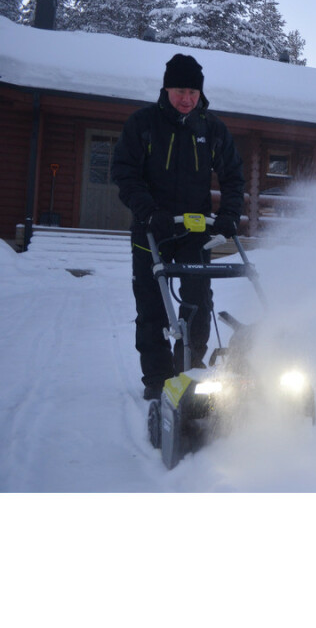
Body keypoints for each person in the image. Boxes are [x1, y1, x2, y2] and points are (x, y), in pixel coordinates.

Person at [112, 53, 245, 400]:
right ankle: (157, 380)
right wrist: (147, 210)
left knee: (198, 302)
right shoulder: (143, 124)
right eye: (180, 91)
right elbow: (125, 173)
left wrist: (229, 214)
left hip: (194, 230)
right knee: (151, 307)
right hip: (151, 228)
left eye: (193, 92)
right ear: (166, 89)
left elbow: (233, 175)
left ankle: (188, 371)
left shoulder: (211, 128)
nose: (187, 99)